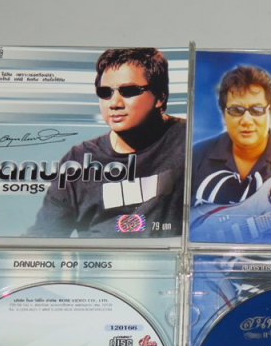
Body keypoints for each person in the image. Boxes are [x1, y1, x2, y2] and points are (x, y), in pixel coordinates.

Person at [27, 48, 186, 237]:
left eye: (129, 91)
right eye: (105, 92)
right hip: (99, 256)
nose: (114, 103)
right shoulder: (79, 159)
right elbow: (44, 235)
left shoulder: (188, 139)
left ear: (160, 97)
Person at [191, 65, 271, 207]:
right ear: (224, 115)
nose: (246, 120)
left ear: (270, 114)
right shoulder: (196, 157)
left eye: (256, 110)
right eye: (236, 110)